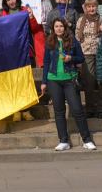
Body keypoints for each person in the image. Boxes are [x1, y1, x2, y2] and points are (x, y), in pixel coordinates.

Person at [41, 17, 95, 151]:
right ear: (53, 29)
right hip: (53, 79)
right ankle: (63, 140)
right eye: (56, 27)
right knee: (59, 111)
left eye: (61, 26)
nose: (59, 29)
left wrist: (71, 58)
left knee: (77, 109)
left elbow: (81, 58)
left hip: (70, 79)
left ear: (65, 27)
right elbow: (46, 62)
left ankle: (87, 139)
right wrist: (43, 82)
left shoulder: (72, 41)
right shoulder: (49, 42)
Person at [74, 0, 102, 118]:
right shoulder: (81, 20)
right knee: (89, 82)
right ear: (86, 8)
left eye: (93, 6)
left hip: (100, 53)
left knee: (101, 81)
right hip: (86, 53)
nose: (91, 8)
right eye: (89, 6)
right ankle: (90, 109)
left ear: (96, 7)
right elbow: (77, 38)